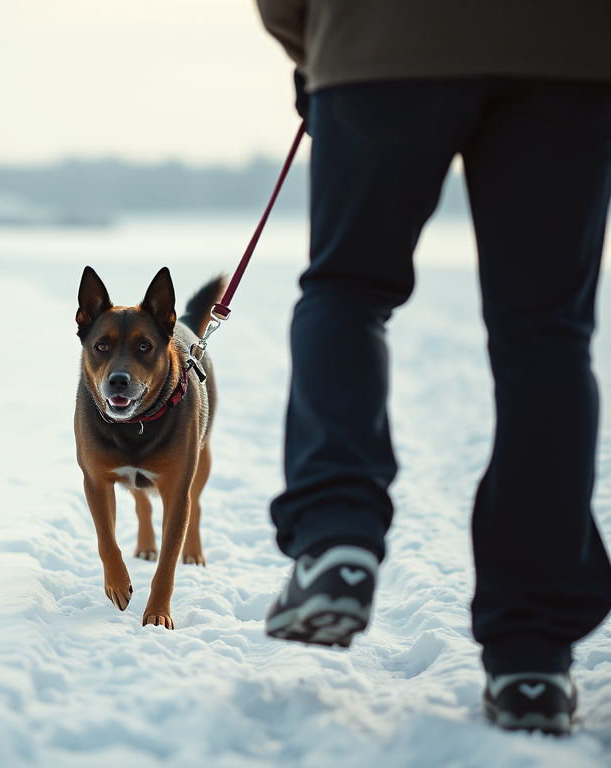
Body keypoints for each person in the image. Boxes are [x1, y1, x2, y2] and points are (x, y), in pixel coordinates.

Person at [254, 0, 611, 734]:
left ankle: (337, 535)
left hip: (377, 41)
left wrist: (315, 45)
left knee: (349, 289)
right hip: (569, 53)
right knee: (548, 338)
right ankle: (533, 655)